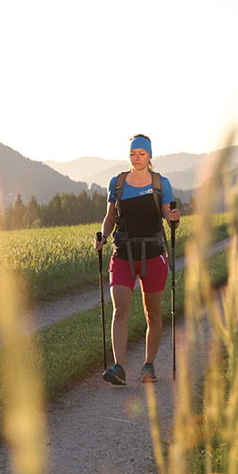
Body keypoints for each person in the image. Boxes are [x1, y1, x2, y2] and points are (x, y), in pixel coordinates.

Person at [92, 134, 182, 384]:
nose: (137, 157)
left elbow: (170, 217)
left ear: (149, 156)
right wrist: (103, 237)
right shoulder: (117, 183)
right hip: (122, 254)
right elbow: (110, 217)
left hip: (153, 254)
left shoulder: (161, 184)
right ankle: (119, 367)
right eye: (133, 153)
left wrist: (175, 218)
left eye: (142, 153)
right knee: (119, 310)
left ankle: (148, 365)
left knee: (152, 313)